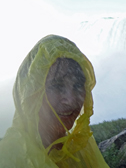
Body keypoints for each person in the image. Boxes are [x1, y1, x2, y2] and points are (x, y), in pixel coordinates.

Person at [0, 35, 109, 167]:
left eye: (78, 85)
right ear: (32, 94)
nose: (71, 100)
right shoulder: (11, 159)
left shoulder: (80, 148)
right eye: (56, 86)